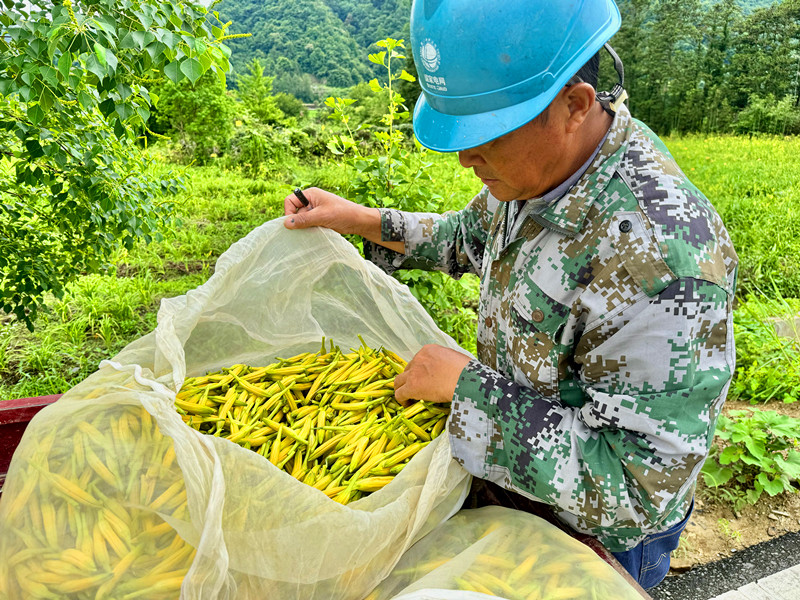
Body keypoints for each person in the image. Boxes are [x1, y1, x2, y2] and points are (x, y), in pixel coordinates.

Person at [283, 0, 737, 589]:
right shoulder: (539, 170)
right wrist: (360, 219)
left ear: (575, 104)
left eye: (488, 135)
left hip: (589, 542)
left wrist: (469, 388)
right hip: (510, 494)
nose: (466, 157)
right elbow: (465, 238)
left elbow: (633, 492)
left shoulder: (663, 257)